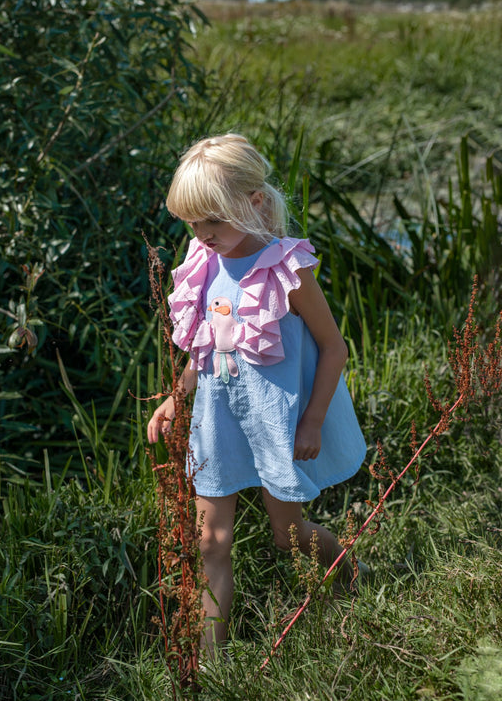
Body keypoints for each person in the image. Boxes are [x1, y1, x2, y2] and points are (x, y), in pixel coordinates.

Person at [147, 133, 367, 658]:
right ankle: (211, 665)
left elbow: (334, 349)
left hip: (276, 422)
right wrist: (177, 397)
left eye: (213, 221)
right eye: (193, 223)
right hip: (217, 419)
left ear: (255, 202)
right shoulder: (203, 265)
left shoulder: (285, 269)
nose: (202, 235)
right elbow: (207, 345)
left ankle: (351, 572)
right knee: (209, 541)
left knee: (287, 535)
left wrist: (312, 422)